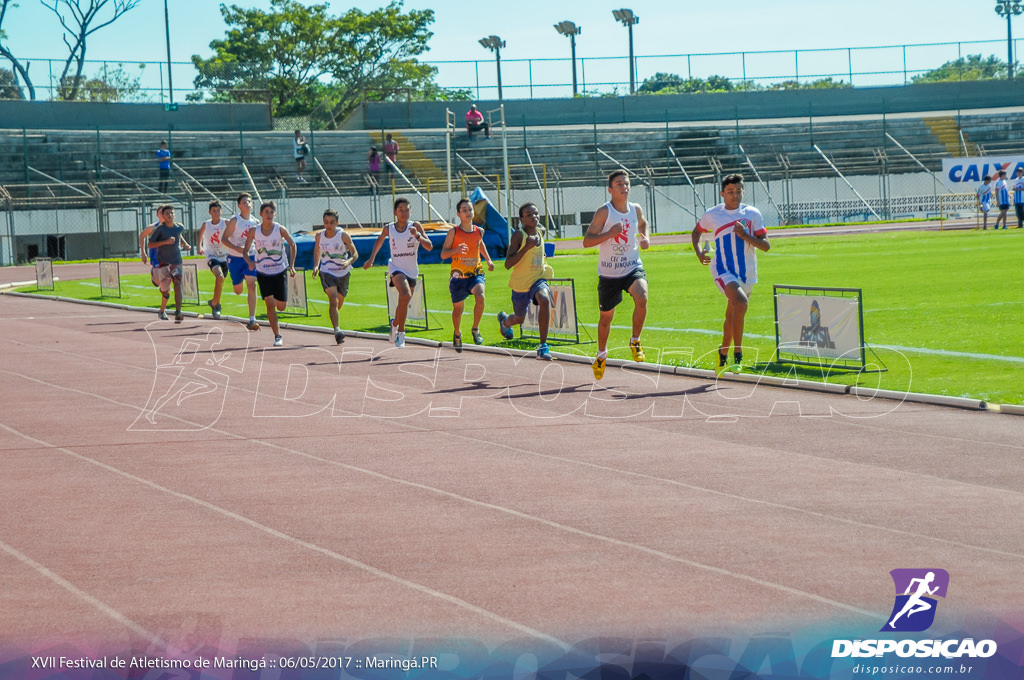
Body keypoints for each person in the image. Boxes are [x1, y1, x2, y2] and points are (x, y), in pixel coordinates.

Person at [691, 173, 771, 376]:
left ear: (743, 191)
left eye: (738, 191)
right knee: (741, 303)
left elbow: (766, 246)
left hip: (747, 273)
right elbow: (696, 232)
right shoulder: (713, 214)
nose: (734, 195)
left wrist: (745, 235)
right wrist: (699, 251)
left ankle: (722, 354)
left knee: (731, 315)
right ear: (722, 194)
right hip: (722, 269)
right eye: (730, 192)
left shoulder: (752, 214)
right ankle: (738, 355)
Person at [583, 170, 651, 380]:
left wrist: (645, 238)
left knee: (642, 296)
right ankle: (601, 355)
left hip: (631, 266)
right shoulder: (604, 212)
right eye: (619, 184)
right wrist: (609, 234)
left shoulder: (635, 208)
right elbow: (587, 241)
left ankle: (635, 340)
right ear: (610, 189)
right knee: (606, 318)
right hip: (609, 274)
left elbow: (643, 223)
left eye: (627, 183)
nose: (624, 187)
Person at [362, 197, 433, 348]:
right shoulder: (389, 228)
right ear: (395, 212)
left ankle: (394, 323)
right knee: (406, 294)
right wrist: (371, 259)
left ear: (411, 211)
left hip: (412, 270)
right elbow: (380, 241)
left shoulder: (415, 226)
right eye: (400, 210)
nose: (404, 213)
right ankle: (401, 332)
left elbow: (429, 246)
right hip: (395, 268)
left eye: (407, 209)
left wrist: (417, 236)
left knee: (404, 301)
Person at [497, 202, 555, 360]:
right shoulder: (518, 236)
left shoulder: (541, 231)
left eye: (536, 213)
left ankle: (543, 346)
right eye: (528, 215)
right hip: (521, 284)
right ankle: (505, 321)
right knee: (520, 318)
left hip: (538, 278)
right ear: (521, 219)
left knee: (544, 299)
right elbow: (508, 264)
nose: (533, 217)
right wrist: (526, 248)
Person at [441, 197, 495, 351]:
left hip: (475, 273)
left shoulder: (479, 231)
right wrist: (456, 250)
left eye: (470, 209)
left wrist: (489, 260)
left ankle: (475, 329)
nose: (468, 212)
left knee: (480, 295)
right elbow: (443, 255)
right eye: (464, 210)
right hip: (458, 277)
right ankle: (457, 333)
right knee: (458, 310)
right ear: (458, 214)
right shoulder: (453, 232)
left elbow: (480, 244)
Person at [242, 201, 297, 347]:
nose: (268, 214)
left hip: (279, 270)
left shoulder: (280, 229)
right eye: (265, 211)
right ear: (260, 214)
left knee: (281, 307)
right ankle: (277, 336)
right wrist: (249, 261)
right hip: (263, 271)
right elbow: (245, 251)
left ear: (275, 214)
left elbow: (293, 244)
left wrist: (291, 266)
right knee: (270, 303)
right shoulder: (254, 231)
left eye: (271, 212)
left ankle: (277, 329)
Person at [311, 208, 359, 344]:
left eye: (332, 222)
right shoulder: (319, 236)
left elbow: (355, 253)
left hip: (343, 272)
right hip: (327, 272)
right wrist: (316, 266)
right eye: (326, 222)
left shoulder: (343, 235)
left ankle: (334, 318)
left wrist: (349, 261)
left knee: (339, 302)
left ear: (337, 222)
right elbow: (317, 251)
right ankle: (337, 331)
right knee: (334, 300)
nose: (329, 225)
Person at [221, 192, 262, 331]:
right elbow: (224, 238)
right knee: (238, 290)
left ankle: (252, 319)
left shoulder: (256, 223)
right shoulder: (235, 220)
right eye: (244, 202)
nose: (247, 204)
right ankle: (239, 279)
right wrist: (236, 248)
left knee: (253, 284)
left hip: (250, 257)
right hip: (235, 258)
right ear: (239, 205)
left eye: (249, 201)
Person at [148, 205, 190, 323]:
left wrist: (185, 244)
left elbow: (178, 235)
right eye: (167, 214)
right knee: (165, 291)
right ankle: (162, 290)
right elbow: (150, 245)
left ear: (174, 214)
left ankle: (178, 312)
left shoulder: (179, 227)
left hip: (176, 261)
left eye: (172, 213)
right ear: (163, 216)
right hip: (163, 263)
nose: (170, 215)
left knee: (177, 283)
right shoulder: (159, 229)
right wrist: (166, 242)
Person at [197, 199, 228, 319]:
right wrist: (199, 246)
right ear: (210, 212)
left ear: (221, 211)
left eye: (218, 210)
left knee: (221, 280)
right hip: (211, 255)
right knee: (219, 276)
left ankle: (214, 302)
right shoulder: (207, 224)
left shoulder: (226, 222)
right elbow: (200, 234)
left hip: (225, 255)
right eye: (214, 211)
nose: (216, 213)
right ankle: (217, 305)